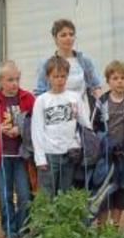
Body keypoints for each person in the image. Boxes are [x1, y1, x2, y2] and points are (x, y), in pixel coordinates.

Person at [0, 61, 35, 238]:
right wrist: (0, 129)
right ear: (1, 81)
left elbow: (35, 122)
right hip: (2, 157)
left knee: (24, 194)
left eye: (17, 79)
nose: (14, 83)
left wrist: (22, 130)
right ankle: (9, 230)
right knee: (5, 196)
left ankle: (23, 228)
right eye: (10, 80)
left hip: (21, 156)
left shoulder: (28, 98)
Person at [31, 56, 91, 198]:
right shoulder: (42, 101)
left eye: (63, 76)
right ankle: (47, 221)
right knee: (47, 196)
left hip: (70, 154)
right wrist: (40, 158)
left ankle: (65, 221)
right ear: (48, 77)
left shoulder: (75, 98)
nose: (59, 80)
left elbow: (85, 124)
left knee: (66, 195)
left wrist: (83, 146)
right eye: (55, 76)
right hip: (49, 154)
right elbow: (37, 130)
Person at [92, 60, 124, 227]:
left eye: (123, 78)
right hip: (105, 156)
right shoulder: (101, 103)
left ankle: (114, 227)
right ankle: (101, 227)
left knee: (120, 192)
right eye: (115, 78)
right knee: (103, 192)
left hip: (123, 156)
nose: (119, 81)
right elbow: (94, 127)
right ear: (108, 81)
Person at [33, 19, 103, 111]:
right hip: (56, 113)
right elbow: (39, 93)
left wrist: (99, 99)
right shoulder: (46, 63)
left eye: (71, 34)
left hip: (81, 112)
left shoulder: (85, 61)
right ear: (55, 38)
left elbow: (95, 86)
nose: (68, 38)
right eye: (63, 35)